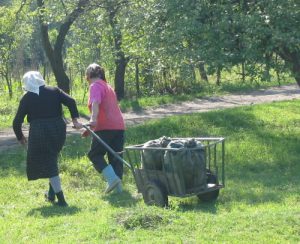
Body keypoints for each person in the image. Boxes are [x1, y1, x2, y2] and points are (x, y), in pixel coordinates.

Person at [13, 71, 82, 207]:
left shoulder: (27, 98)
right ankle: (51, 195)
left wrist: (20, 137)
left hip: (39, 132)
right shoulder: (54, 90)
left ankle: (61, 200)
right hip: (58, 129)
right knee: (51, 158)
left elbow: (16, 122)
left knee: (49, 163)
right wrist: (74, 119)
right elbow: (71, 101)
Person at [82, 63, 125, 194]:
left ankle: (112, 179)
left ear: (88, 76)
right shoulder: (108, 86)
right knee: (116, 156)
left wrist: (93, 120)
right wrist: (91, 126)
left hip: (105, 126)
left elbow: (95, 102)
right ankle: (119, 191)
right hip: (119, 126)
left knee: (95, 154)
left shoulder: (95, 85)